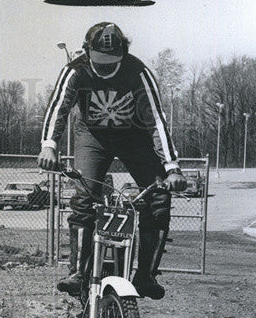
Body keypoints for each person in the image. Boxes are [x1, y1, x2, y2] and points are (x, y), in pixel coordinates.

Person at [37, 23, 187, 299]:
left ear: (123, 53)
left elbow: (156, 119)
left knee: (158, 198)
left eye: (112, 63)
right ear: (87, 51)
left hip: (135, 138)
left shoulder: (137, 72)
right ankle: (79, 273)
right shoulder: (75, 70)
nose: (105, 69)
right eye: (100, 62)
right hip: (92, 137)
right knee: (84, 196)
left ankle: (146, 276)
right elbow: (58, 107)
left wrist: (171, 167)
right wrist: (49, 146)